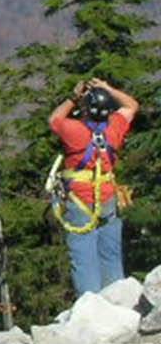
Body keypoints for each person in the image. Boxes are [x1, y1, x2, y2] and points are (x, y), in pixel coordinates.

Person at [49, 78, 139, 296]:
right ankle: (117, 300)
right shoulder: (114, 128)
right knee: (110, 253)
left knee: (83, 256)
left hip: (79, 201)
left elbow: (54, 119)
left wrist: (73, 97)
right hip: (107, 198)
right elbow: (131, 105)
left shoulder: (74, 131)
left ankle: (91, 307)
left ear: (86, 110)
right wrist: (108, 89)